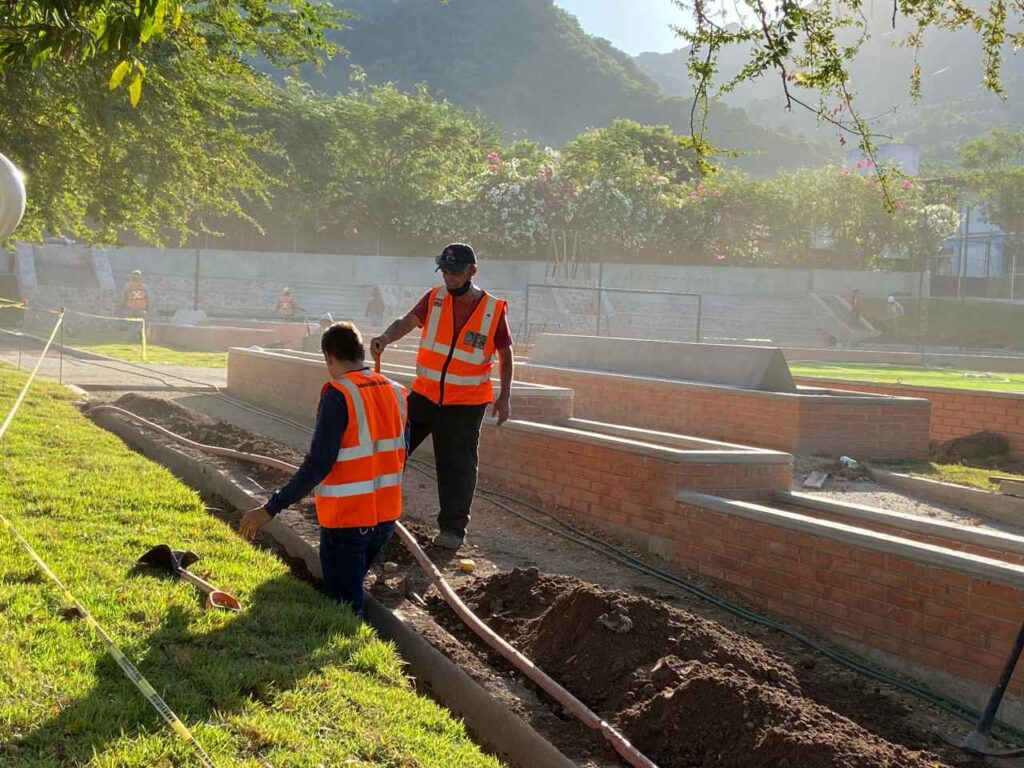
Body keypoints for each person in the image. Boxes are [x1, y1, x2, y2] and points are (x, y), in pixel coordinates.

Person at [239, 322, 407, 616]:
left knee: (343, 608)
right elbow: (402, 451)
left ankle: (349, 656)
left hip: (348, 520)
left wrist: (270, 509)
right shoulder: (395, 391)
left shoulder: (338, 393)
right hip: (385, 519)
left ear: (328, 357)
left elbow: (319, 463)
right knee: (350, 592)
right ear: (359, 352)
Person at [371, 243, 513, 551]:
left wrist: (505, 396)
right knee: (392, 447)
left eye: (455, 272)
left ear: (472, 271)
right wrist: (385, 337)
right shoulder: (434, 298)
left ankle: (453, 530)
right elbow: (407, 321)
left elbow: (505, 352)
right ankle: (373, 511)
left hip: (466, 405)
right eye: (445, 271)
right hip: (425, 395)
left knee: (457, 467)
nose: (449, 277)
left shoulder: (493, 310)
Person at [122, 269, 149, 339]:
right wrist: (147, 307)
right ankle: (140, 336)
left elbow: (124, 297)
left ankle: (132, 337)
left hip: (131, 308)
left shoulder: (127, 286)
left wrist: (123, 306)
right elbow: (148, 297)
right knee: (141, 323)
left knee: (131, 323)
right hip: (141, 308)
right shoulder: (144, 286)